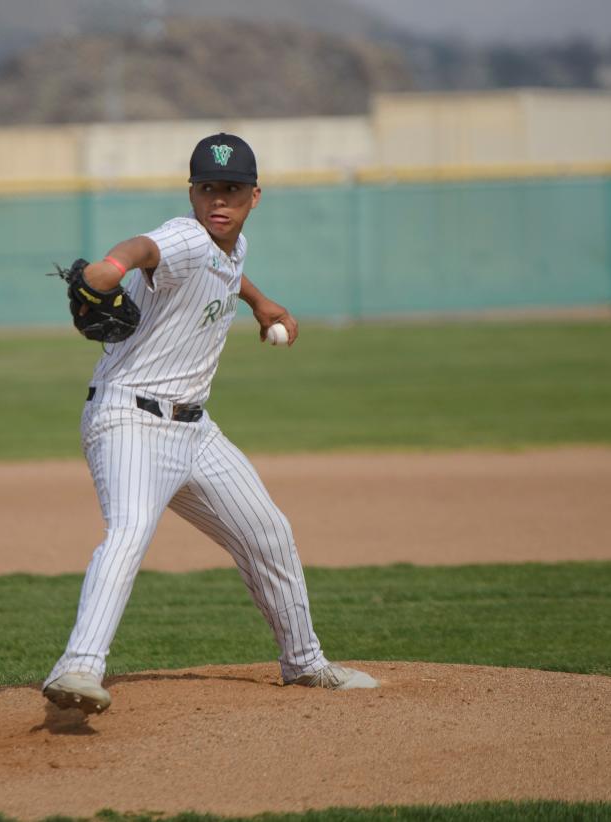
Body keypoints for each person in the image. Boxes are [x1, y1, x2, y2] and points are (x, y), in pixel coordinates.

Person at [44, 133, 378, 714]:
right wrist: (113, 265)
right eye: (207, 189)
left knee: (268, 532)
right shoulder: (186, 236)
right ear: (192, 192)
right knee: (128, 534)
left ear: (254, 195)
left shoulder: (231, 246)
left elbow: (229, 269)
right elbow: (147, 247)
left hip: (196, 432)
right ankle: (77, 669)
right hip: (130, 419)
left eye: (231, 190)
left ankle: (304, 665)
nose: (218, 201)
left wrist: (259, 302)